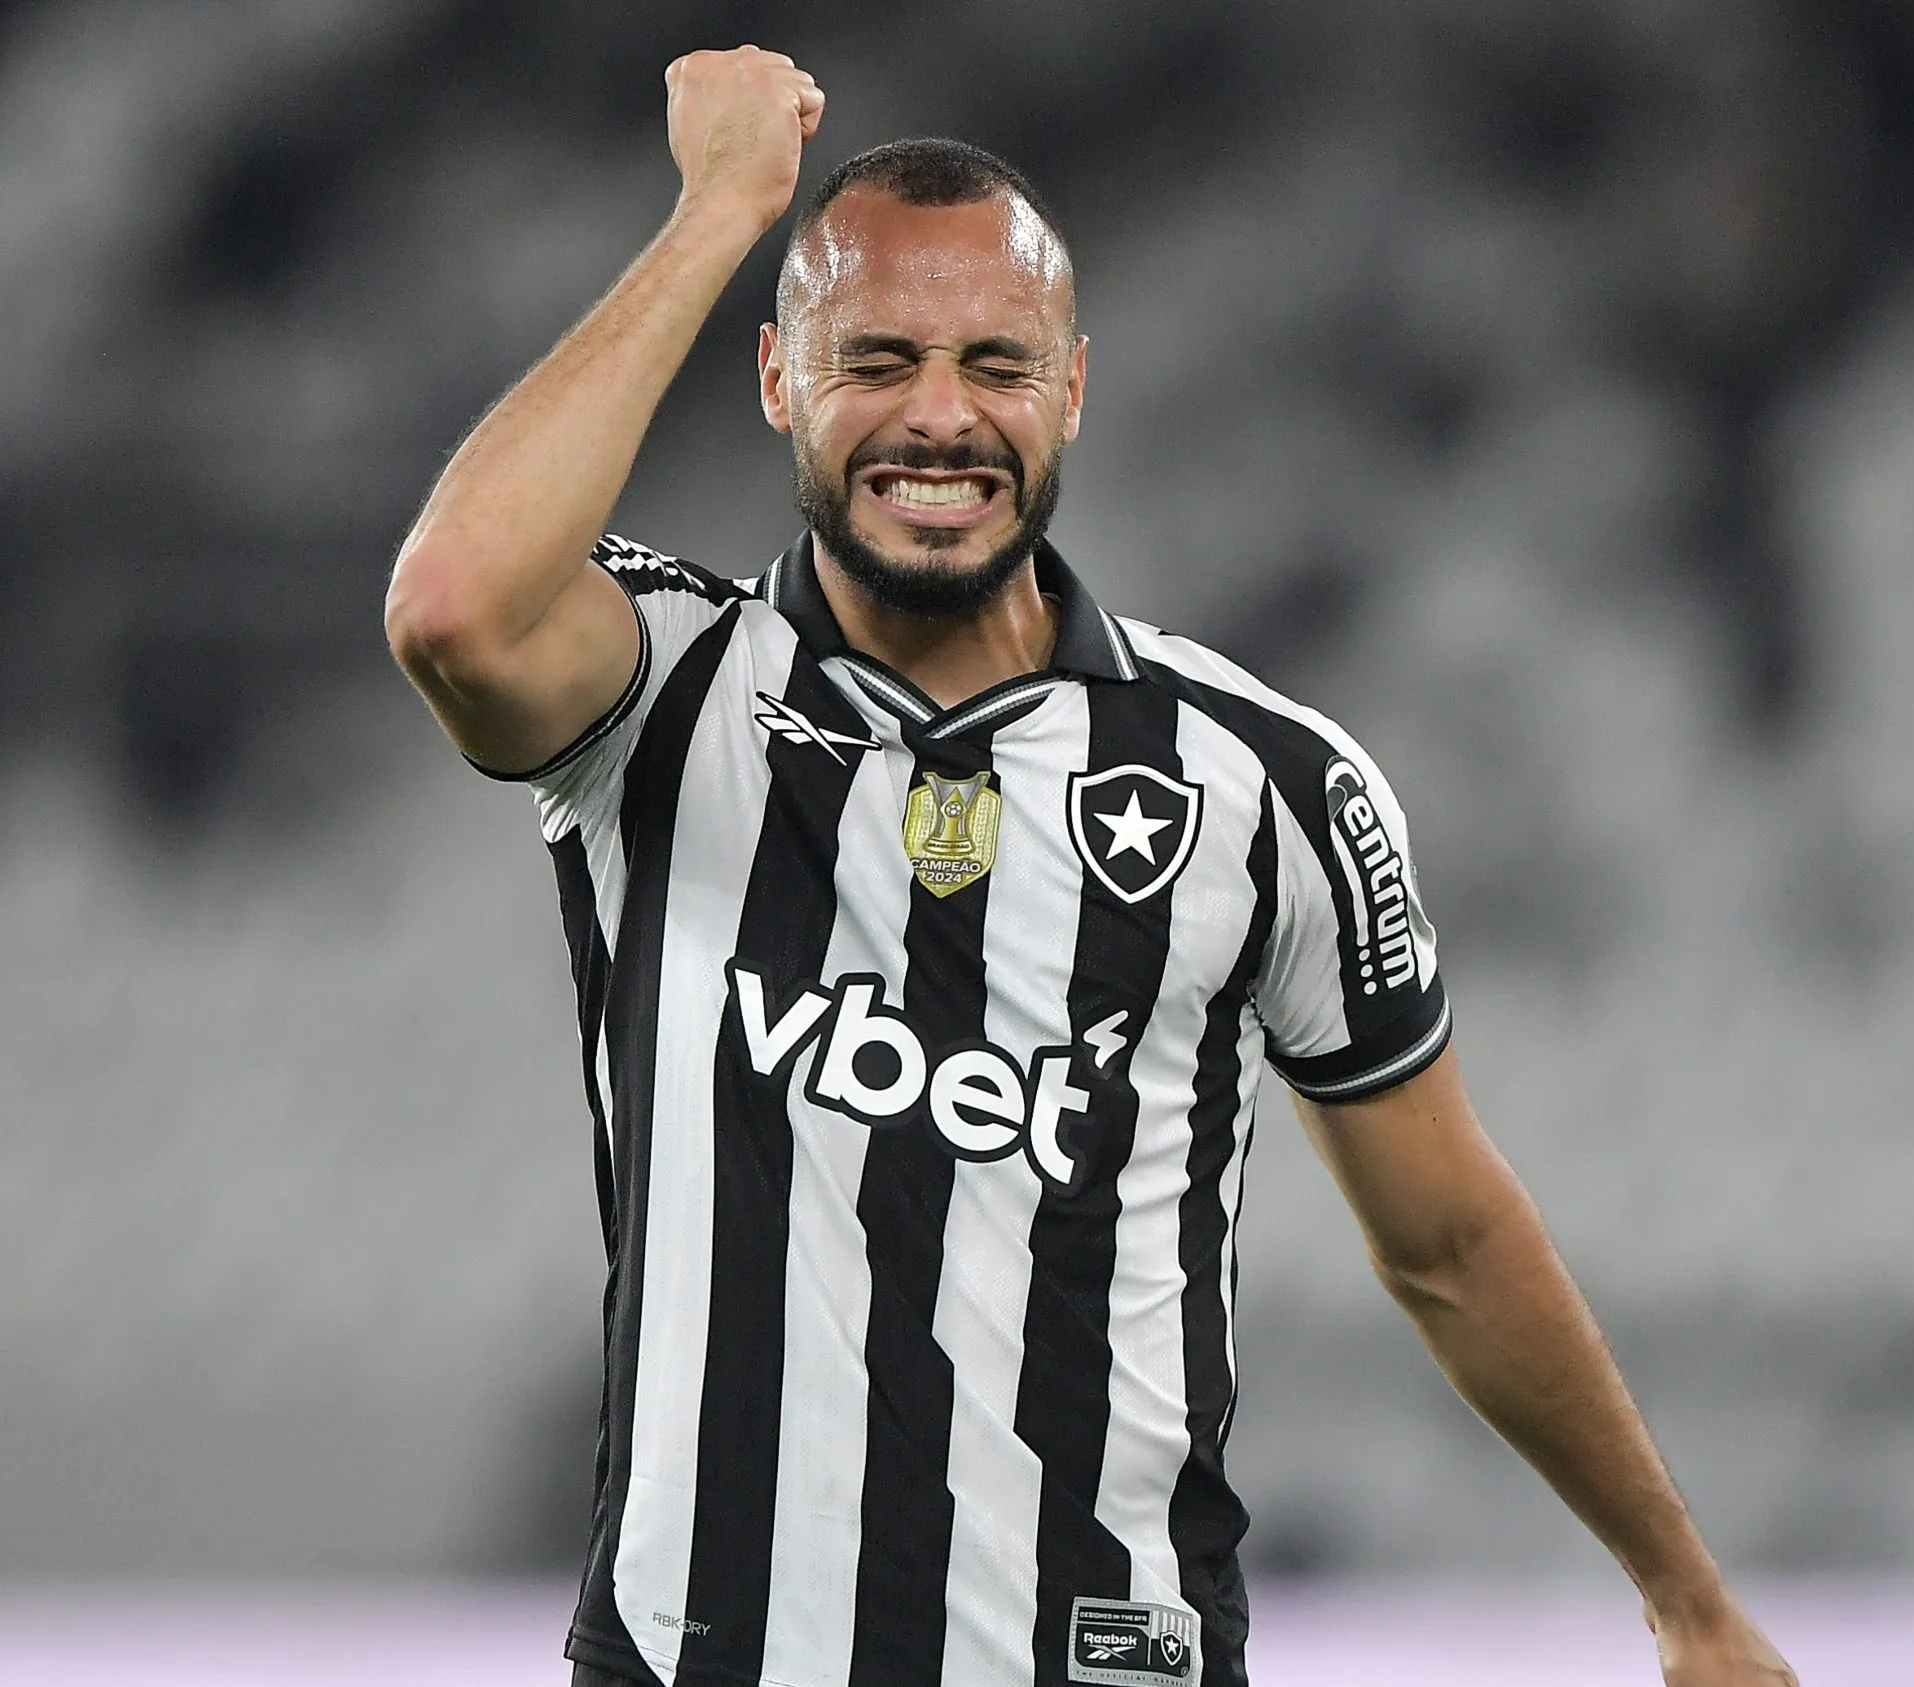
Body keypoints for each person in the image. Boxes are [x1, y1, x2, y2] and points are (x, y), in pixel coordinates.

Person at [383, 45, 1796, 1687]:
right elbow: (452, 610)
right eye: (878, 358)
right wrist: (720, 214)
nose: (940, 414)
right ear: (775, 377)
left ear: (1072, 390)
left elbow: (1452, 1239)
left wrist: (1682, 1594)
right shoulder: (669, 685)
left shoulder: (1262, 782)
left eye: (998, 361)